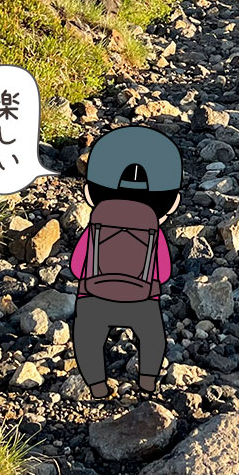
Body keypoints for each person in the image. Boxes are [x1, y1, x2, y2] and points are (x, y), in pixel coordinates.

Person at [68, 125, 180, 399]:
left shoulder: (96, 221)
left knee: (88, 339)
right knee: (152, 337)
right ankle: (147, 381)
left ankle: (97, 385)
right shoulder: (152, 225)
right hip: (141, 300)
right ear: (172, 203)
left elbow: (76, 265)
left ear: (90, 195)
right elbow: (163, 271)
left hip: (93, 297)